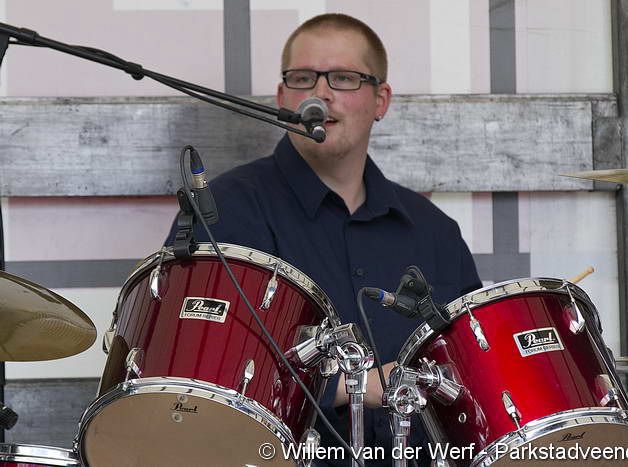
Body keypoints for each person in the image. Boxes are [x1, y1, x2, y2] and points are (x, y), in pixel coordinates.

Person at [168, 13, 481, 466]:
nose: (320, 93)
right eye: (303, 78)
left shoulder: (435, 230)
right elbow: (197, 376)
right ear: (282, 98)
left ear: (380, 100)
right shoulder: (224, 209)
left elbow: (470, 374)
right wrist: (349, 386)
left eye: (344, 78)